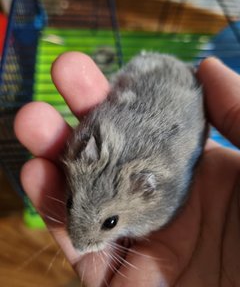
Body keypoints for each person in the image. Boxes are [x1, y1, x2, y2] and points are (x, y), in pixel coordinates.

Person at [14, 53, 240, 286]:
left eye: (109, 222)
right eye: (71, 204)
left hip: (163, 81)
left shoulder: (153, 192)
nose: (79, 245)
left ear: (147, 187)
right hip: (156, 78)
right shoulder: (88, 147)